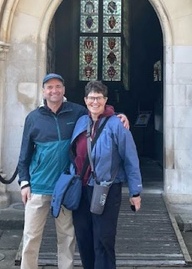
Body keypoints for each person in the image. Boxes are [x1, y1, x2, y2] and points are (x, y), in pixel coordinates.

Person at [17, 74, 129, 269]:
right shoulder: (33, 118)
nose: (54, 91)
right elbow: (24, 153)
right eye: (50, 87)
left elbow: (98, 111)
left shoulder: (76, 112)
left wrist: (119, 116)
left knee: (67, 238)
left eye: (58, 86)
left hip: (66, 186)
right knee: (31, 236)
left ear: (64, 89)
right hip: (39, 186)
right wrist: (24, 182)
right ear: (43, 91)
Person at [69, 80, 142, 269]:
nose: (95, 102)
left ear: (106, 99)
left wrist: (135, 193)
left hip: (106, 190)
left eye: (99, 98)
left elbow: (130, 159)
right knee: (84, 236)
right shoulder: (80, 121)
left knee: (104, 238)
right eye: (92, 98)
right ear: (85, 100)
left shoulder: (117, 124)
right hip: (82, 189)